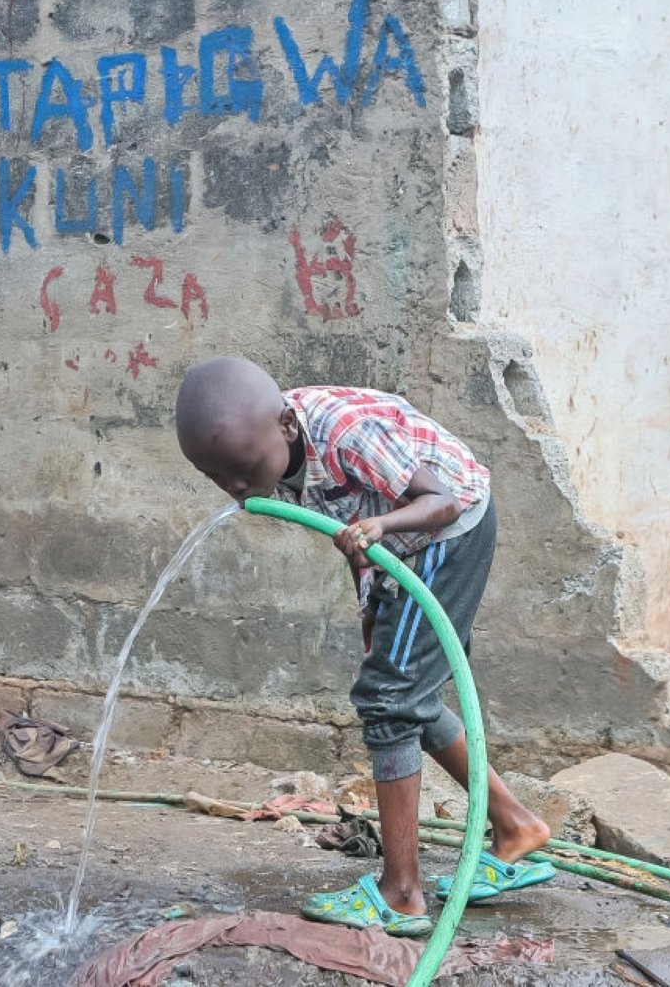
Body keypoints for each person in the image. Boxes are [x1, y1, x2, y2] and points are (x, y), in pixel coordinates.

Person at [174, 356, 552, 937]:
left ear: (287, 428)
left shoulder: (345, 432)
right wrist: (369, 607)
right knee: (405, 695)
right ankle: (515, 825)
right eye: (219, 478)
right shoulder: (279, 451)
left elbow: (441, 502)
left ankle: (401, 894)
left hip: (446, 532)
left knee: (390, 700)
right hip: (399, 548)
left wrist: (381, 530)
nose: (239, 490)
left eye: (244, 472)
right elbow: (349, 527)